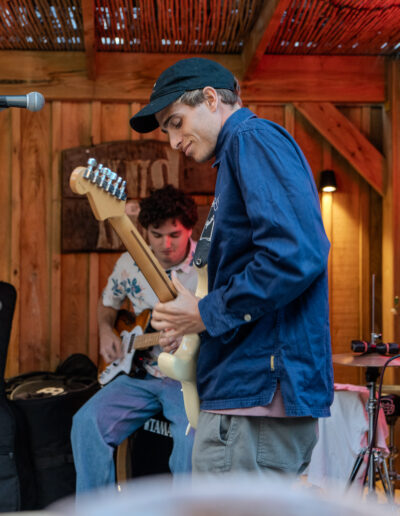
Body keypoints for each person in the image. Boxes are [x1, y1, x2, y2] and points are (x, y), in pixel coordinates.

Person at [129, 58, 334, 476]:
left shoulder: (250, 139)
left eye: (176, 122)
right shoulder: (237, 155)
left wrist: (206, 314)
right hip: (247, 399)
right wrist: (193, 323)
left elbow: (295, 254)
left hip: (252, 402)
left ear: (209, 98)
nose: (172, 140)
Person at [71, 185, 198, 493]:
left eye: (175, 235)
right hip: (139, 376)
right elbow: (108, 302)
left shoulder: (208, 267)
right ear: (145, 231)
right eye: (156, 235)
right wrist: (105, 332)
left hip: (189, 380)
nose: (166, 244)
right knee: (86, 422)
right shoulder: (129, 264)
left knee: (191, 439)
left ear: (190, 231)